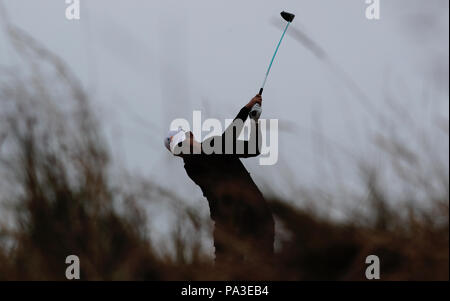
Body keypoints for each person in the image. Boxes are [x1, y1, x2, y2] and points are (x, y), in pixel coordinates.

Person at [164, 95, 274, 266]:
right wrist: (246, 111)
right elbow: (225, 140)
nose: (183, 149)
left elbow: (254, 148)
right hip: (229, 223)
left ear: (191, 135)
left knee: (264, 269)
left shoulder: (213, 146)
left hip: (256, 216)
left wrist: (254, 120)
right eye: (179, 150)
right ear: (177, 155)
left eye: (183, 143)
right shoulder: (193, 166)